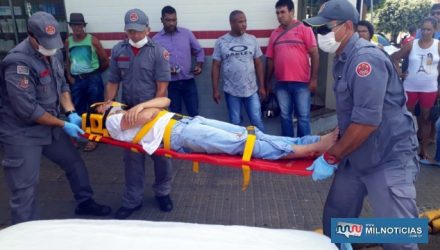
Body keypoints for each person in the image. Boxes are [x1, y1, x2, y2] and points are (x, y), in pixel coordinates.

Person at [304, 1, 419, 250]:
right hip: (356, 154)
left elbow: (366, 122)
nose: (319, 35)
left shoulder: (365, 60)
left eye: (325, 29)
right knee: (336, 220)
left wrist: (331, 157)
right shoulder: (343, 58)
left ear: (347, 27)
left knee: (399, 238)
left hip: (388, 156)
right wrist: (333, 138)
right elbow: (353, 113)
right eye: (317, 30)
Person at [0, 11, 111, 224]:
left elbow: (62, 86)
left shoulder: (54, 52)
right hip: (21, 133)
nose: (51, 48)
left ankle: (85, 202)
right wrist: (63, 124)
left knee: (75, 163)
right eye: (45, 43)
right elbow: (28, 110)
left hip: (50, 125)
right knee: (24, 188)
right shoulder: (17, 63)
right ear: (31, 36)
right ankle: (26, 233)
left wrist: (71, 113)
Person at [101, 97, 337, 160]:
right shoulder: (112, 122)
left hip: (187, 122)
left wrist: (140, 104)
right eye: (100, 105)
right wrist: (142, 107)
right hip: (179, 135)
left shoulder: (126, 111)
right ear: (99, 113)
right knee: (244, 143)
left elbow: (166, 102)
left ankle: (307, 141)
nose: (105, 102)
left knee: (250, 133)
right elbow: (152, 113)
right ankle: (311, 148)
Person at [104, 8, 173, 220]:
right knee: (132, 158)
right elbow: (113, 81)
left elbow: (162, 88)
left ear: (148, 29)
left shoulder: (158, 52)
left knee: (160, 157)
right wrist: (109, 106)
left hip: (155, 113)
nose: (134, 35)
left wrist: (152, 111)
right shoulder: (118, 51)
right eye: (130, 31)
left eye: (138, 31)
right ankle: (132, 200)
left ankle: (163, 192)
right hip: (129, 112)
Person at [265, 0, 319, 137]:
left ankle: (305, 149)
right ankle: (289, 148)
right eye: (277, 13)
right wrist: (267, 82)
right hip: (281, 84)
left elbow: (315, 53)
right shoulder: (275, 34)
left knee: (303, 117)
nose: (279, 15)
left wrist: (314, 80)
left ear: (291, 12)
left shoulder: (304, 29)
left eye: (283, 12)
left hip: (302, 83)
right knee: (285, 117)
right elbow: (270, 60)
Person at [391, 17, 440, 160]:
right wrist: (399, 72)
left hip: (429, 89)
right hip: (410, 86)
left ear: (435, 30)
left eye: (429, 29)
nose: (425, 32)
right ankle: (402, 147)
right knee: (405, 118)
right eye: (423, 29)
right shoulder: (412, 45)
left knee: (425, 119)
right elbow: (394, 57)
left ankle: (423, 150)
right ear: (419, 29)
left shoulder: (437, 45)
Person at [211, 10, 265, 131]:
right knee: (236, 125)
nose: (244, 24)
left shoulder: (252, 39)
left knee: (257, 121)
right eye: (240, 22)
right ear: (231, 23)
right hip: (232, 91)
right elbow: (215, 66)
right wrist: (215, 90)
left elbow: (258, 63)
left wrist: (262, 86)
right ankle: (240, 149)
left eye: (245, 21)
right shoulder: (221, 42)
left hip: (251, 90)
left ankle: (262, 146)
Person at [65, 13, 109, 152]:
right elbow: (68, 61)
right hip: (77, 80)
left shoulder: (92, 40)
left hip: (93, 79)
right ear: (71, 26)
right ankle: (77, 136)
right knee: (76, 108)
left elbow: (105, 60)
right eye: (74, 25)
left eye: (79, 25)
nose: (77, 28)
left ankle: (93, 138)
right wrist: (69, 76)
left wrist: (94, 73)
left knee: (95, 109)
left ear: (84, 26)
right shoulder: (68, 41)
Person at [153, 6, 204, 117]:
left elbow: (199, 51)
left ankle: (193, 134)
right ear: (161, 20)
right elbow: (153, 63)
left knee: (194, 114)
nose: (171, 23)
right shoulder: (155, 40)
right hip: (170, 84)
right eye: (168, 20)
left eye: (174, 20)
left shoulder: (186, 34)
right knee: (175, 116)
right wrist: (166, 71)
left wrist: (199, 65)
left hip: (188, 81)